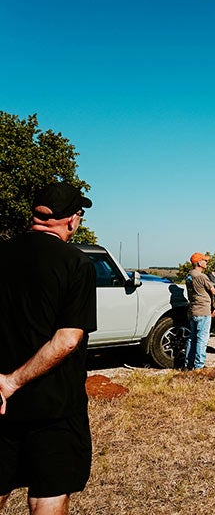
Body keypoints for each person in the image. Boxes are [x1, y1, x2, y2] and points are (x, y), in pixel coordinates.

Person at [0, 182, 96, 515]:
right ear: (72, 219)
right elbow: (68, 338)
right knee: (48, 493)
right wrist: (13, 382)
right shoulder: (76, 263)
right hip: (55, 405)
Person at [184, 253, 215, 369]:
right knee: (202, 338)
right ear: (199, 262)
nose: (207, 263)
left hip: (192, 309)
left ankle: (188, 364)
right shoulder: (201, 276)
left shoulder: (189, 275)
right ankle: (199, 365)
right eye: (205, 261)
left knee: (192, 338)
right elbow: (213, 291)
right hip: (203, 310)